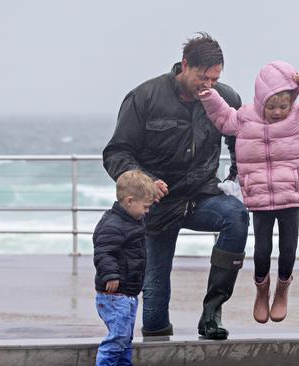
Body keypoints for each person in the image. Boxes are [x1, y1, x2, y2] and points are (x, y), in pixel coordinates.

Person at [102, 32, 249, 340]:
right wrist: (144, 183)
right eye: (202, 78)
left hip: (202, 196)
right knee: (154, 302)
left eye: (214, 78)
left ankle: (211, 313)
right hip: (156, 205)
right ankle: (156, 340)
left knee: (236, 215)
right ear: (185, 65)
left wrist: (235, 179)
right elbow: (117, 152)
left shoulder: (227, 98)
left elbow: (244, 143)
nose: (207, 86)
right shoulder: (144, 97)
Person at [199, 60, 299, 323]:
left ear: (292, 100)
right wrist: (210, 97)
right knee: (261, 250)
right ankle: (261, 291)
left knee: (288, 249)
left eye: (283, 106)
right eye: (271, 106)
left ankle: (282, 290)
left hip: (290, 198)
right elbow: (223, 118)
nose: (277, 112)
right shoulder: (246, 117)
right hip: (259, 200)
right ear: (261, 101)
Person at [93, 170, 157, 366]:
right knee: (117, 338)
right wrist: (111, 275)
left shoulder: (133, 220)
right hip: (114, 294)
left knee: (125, 340)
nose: (147, 211)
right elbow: (103, 252)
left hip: (128, 294)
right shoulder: (112, 225)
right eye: (145, 207)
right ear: (129, 201)